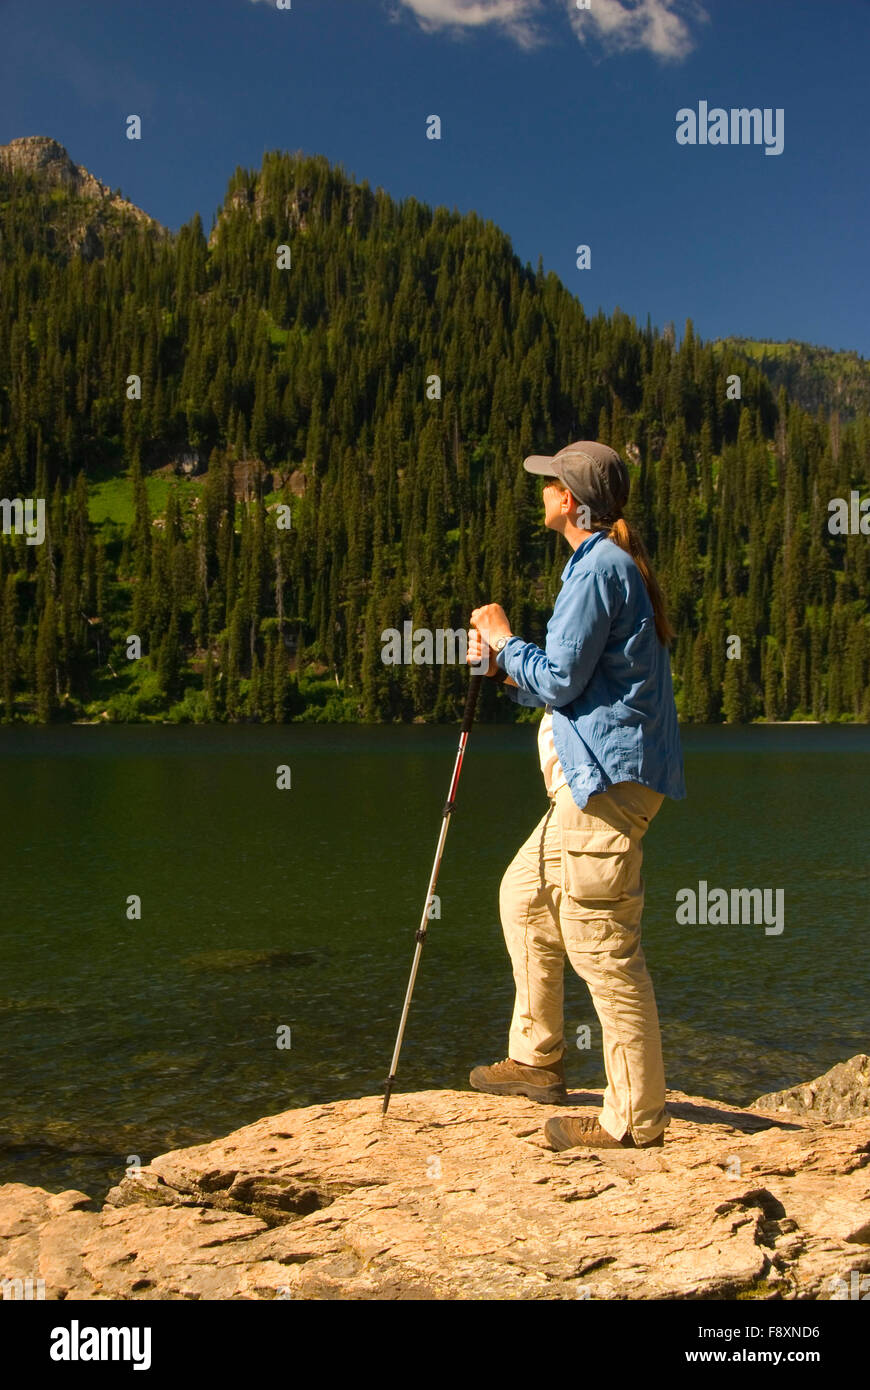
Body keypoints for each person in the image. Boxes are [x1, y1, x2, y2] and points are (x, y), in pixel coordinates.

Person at [466, 441, 685, 1151]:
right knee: (523, 896)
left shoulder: (600, 569)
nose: (541, 491)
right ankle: (539, 1060)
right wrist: (505, 670)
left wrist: (504, 639)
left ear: (573, 500)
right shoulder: (599, 566)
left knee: (604, 948)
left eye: (549, 482)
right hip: (592, 787)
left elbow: (559, 680)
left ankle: (635, 1121)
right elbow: (572, 680)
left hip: (605, 791)